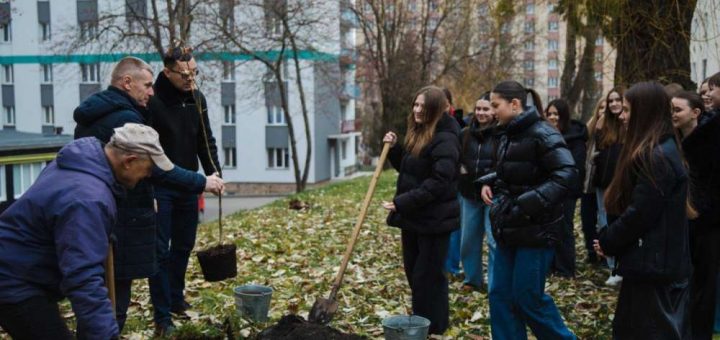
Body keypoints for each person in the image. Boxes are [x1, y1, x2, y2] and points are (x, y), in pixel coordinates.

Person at [73, 56, 224, 333]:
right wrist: (201, 182)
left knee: (101, 286)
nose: (151, 91)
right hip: (120, 208)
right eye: (146, 85)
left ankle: (161, 306)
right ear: (127, 83)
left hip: (98, 205)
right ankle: (147, 320)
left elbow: (202, 142)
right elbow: (158, 168)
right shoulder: (128, 119)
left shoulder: (99, 113)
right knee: (116, 291)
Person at [0, 124, 170, 340]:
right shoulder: (87, 199)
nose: (148, 175)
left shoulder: (83, 165)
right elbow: (83, 276)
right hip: (14, 280)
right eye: (149, 168)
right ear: (129, 161)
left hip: (20, 268)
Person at [595, 81, 693, 339]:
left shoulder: (657, 156)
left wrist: (608, 239)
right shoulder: (659, 150)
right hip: (650, 264)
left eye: (627, 110)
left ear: (644, 112)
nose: (621, 115)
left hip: (654, 268)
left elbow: (641, 214)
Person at [481, 81, 577, 339]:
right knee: (499, 295)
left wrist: (526, 204)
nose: (492, 111)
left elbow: (566, 174)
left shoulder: (544, 133)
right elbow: (512, 171)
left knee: (528, 299)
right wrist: (491, 184)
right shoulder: (506, 133)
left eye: (495, 105)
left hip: (536, 231)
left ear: (514, 104)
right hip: (509, 227)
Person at [148, 45, 222, 333]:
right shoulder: (153, 103)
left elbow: (206, 140)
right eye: (184, 75)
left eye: (195, 73)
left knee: (183, 246)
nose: (191, 79)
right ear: (167, 72)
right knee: (160, 252)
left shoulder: (196, 99)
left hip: (189, 185)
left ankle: (176, 299)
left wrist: (214, 173)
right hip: (161, 187)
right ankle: (162, 316)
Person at [382, 86, 461, 335]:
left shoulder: (446, 138)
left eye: (423, 107)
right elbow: (409, 169)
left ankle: (433, 327)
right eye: (415, 105)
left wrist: (403, 202)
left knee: (428, 277)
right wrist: (394, 149)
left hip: (435, 219)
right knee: (414, 273)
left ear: (436, 110)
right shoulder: (420, 133)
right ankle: (422, 322)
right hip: (415, 218)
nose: (417, 110)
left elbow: (439, 182)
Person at [672, 90, 720, 339]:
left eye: (678, 110)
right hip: (683, 224)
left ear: (696, 112)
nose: (673, 115)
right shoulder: (674, 143)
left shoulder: (709, 140)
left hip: (706, 224)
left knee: (703, 287)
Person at [457, 92, 497, 291]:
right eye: (478, 109)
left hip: (493, 195)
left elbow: (503, 163)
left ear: (494, 111)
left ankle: (495, 282)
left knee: (493, 241)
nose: (481, 113)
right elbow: (457, 158)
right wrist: (462, 171)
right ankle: (472, 280)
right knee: (468, 241)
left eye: (486, 109)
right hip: (469, 194)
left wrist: (488, 182)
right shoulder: (465, 134)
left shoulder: (501, 134)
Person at [545, 98, 587, 278]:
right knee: (550, 228)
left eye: (556, 114)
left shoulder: (575, 138)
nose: (553, 117)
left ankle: (566, 268)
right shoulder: (545, 134)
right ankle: (552, 265)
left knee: (564, 229)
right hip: (548, 189)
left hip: (567, 190)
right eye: (550, 114)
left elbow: (575, 166)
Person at [592, 88, 625, 286]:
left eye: (617, 100)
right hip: (603, 183)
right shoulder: (605, 126)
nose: (613, 104)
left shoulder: (629, 126)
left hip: (621, 184)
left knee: (620, 223)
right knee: (605, 223)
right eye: (610, 100)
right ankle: (612, 267)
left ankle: (622, 266)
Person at [580, 97, 606, 265]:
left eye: (606, 108)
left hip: (603, 184)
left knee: (604, 222)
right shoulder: (589, 132)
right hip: (587, 184)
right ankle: (592, 253)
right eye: (601, 107)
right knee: (587, 221)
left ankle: (604, 255)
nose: (603, 111)